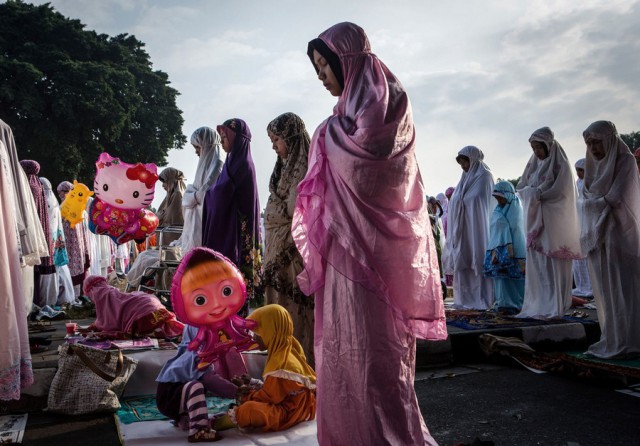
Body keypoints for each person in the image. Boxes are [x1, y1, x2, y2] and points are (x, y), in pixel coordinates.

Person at [294, 22, 446, 445]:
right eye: (318, 69)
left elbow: (375, 163)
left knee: (376, 353)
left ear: (348, 61)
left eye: (325, 65)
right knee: (342, 348)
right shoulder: (345, 112)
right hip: (343, 249)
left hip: (375, 256)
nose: (322, 76)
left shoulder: (385, 100)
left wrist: (326, 134)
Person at [580, 121, 640, 358]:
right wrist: (596, 203)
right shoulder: (593, 167)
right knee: (605, 291)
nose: (593, 148)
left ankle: (629, 339)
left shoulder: (624, 161)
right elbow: (585, 197)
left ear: (609, 139)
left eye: (596, 142)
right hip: (598, 237)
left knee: (622, 289)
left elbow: (616, 197)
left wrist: (594, 203)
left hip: (619, 235)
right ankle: (611, 338)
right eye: (589, 143)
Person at [263, 112, 314, 366]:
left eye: (276, 140)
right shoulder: (281, 171)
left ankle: (299, 368)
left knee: (295, 313)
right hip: (276, 252)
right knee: (278, 311)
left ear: (290, 139)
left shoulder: (305, 169)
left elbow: (298, 213)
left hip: (295, 254)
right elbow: (276, 207)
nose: (274, 147)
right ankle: (279, 366)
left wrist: (278, 213)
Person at [516, 127, 582, 320]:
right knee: (539, 265)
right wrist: (532, 192)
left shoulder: (559, 164)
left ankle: (555, 305)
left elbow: (562, 192)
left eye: (539, 147)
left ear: (548, 145)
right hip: (535, 220)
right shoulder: (533, 164)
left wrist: (538, 193)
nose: (536, 151)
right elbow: (521, 186)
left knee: (553, 263)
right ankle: (538, 303)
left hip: (553, 223)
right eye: (533, 148)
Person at [219, 304, 316, 432]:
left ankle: (214, 424)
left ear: (270, 332)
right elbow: (277, 389)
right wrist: (252, 383)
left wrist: (244, 392)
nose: (254, 337)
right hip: (300, 409)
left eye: (258, 332)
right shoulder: (289, 351)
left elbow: (269, 397)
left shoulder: (281, 364)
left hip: (288, 413)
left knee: (247, 410)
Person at [202, 119, 263, 307]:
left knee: (234, 283)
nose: (222, 141)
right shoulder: (230, 163)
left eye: (225, 137)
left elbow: (222, 194)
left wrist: (210, 195)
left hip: (236, 234)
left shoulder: (243, 165)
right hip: (225, 230)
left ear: (237, 138)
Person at [156, 324, 238, 443]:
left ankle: (184, 420)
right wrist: (237, 392)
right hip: (168, 400)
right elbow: (211, 381)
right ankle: (198, 430)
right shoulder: (196, 358)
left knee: (195, 386)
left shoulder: (188, 353)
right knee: (195, 386)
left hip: (174, 400)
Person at [443, 146, 495, 310]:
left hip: (477, 229)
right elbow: (457, 200)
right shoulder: (463, 180)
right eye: (462, 163)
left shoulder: (485, 176)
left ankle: (482, 299)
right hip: (463, 230)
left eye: (465, 161)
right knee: (463, 262)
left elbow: (478, 200)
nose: (463, 166)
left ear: (473, 160)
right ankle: (465, 299)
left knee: (477, 259)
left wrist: (461, 202)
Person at [171, 127, 224, 257]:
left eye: (197, 148)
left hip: (205, 221)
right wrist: (192, 196)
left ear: (206, 145)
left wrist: (192, 196)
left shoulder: (218, 164)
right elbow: (195, 196)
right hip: (197, 220)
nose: (196, 152)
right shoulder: (205, 165)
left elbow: (204, 195)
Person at [483, 180, 526, 313]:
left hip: (515, 249)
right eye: (496, 198)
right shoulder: (498, 209)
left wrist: (508, 249)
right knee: (501, 279)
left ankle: (515, 303)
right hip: (498, 250)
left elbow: (516, 229)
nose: (498, 200)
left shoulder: (515, 208)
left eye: (500, 197)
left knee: (513, 279)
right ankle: (503, 303)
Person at [20, 160, 56, 308]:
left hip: (29, 235)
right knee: (36, 271)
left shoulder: (27, 185)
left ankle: (30, 303)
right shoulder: (39, 185)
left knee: (28, 271)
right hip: (40, 235)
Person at [40, 177, 75, 306]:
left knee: (52, 274)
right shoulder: (54, 201)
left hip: (50, 242)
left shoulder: (45, 202)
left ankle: (51, 301)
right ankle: (66, 298)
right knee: (60, 272)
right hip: (58, 242)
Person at [57, 181, 91, 298]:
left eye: (62, 193)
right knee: (78, 267)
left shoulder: (64, 208)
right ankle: (79, 294)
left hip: (69, 246)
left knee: (71, 270)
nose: (61, 195)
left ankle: (72, 296)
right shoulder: (80, 207)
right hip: (79, 247)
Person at [571, 159, 593, 299]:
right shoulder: (576, 184)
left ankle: (590, 287)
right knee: (577, 258)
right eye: (577, 170)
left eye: (581, 170)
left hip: (587, 223)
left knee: (587, 258)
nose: (579, 173)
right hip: (577, 222)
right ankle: (580, 286)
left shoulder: (591, 184)